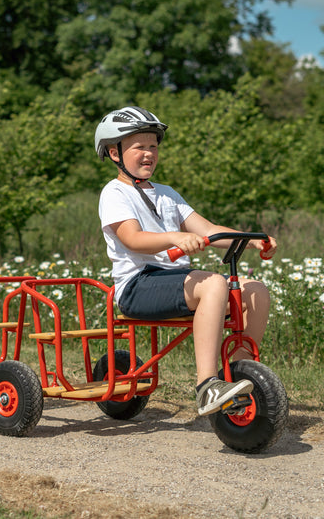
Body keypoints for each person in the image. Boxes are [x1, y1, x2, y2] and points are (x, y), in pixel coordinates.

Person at [95, 106, 278, 416]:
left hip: (175, 280)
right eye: (139, 146)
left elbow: (208, 230)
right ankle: (207, 386)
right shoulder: (114, 193)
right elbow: (133, 238)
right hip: (138, 285)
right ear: (115, 152)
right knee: (214, 283)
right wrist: (174, 237)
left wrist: (250, 238)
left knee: (256, 289)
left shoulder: (166, 193)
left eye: (153, 146)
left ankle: (238, 373)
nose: (149, 153)